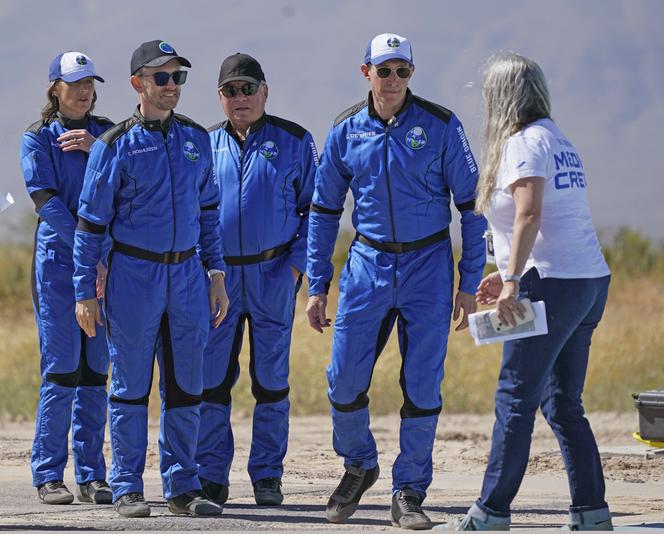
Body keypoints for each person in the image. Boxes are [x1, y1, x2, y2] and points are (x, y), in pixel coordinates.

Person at [306, 33, 487, 529]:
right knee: (343, 380)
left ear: (412, 73)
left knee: (423, 385)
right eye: (383, 70)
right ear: (365, 71)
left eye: (401, 71)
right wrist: (316, 285)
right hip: (366, 266)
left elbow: (472, 208)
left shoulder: (442, 125)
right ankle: (359, 463)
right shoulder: (345, 130)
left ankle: (409, 490)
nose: (392, 80)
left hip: (428, 266)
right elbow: (323, 211)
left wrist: (469, 284)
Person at [445, 52, 612, 531]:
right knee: (562, 402)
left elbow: (529, 214)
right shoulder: (558, 140)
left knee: (515, 397)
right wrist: (509, 268)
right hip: (586, 280)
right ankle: (591, 512)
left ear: (502, 97)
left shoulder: (522, 142)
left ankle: (491, 511)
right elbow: (549, 222)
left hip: (551, 283)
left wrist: (514, 279)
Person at [72, 39, 228, 518]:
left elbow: (209, 214)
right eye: (161, 77)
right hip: (133, 277)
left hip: (186, 276)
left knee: (186, 386)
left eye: (177, 77)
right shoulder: (114, 145)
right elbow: (90, 225)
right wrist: (84, 293)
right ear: (138, 83)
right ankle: (126, 486)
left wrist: (216, 274)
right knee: (130, 386)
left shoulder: (197, 140)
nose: (171, 87)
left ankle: (183, 486)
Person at [196, 53, 317, 507]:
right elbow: (191, 214)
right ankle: (211, 475)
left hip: (272, 275)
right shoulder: (203, 144)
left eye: (248, 88)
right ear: (220, 96)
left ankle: (267, 475)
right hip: (219, 279)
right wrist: (206, 271)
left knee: (271, 383)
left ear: (265, 91)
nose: (240, 97)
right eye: (231, 90)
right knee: (212, 382)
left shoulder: (295, 140)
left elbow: (317, 212)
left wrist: (295, 268)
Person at [20, 51, 113, 506]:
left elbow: (133, 178)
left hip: (105, 269)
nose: (83, 91)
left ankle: (93, 474)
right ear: (55, 87)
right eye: (74, 83)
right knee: (61, 371)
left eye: (89, 82)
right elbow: (48, 204)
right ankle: (48, 474)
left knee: (96, 373)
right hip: (57, 267)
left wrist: (98, 150)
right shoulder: (36, 139)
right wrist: (87, 249)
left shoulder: (110, 134)